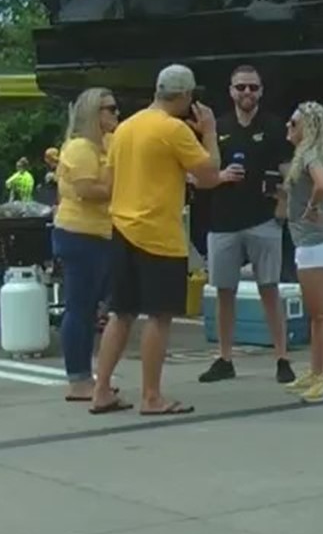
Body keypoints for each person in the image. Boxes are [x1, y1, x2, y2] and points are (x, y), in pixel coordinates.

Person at [92, 65, 232, 416]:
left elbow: (111, 180)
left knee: (120, 313)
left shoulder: (126, 128)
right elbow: (210, 174)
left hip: (122, 227)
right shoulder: (173, 129)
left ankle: (101, 389)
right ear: (185, 96)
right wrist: (210, 133)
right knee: (159, 316)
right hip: (158, 233)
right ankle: (152, 395)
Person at [200, 63, 298, 387]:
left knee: (269, 289)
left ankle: (282, 357)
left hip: (263, 220)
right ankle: (225, 358)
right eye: (241, 87)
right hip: (224, 220)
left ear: (261, 91)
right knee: (224, 291)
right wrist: (220, 176)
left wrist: (286, 196)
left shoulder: (273, 127)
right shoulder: (219, 129)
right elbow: (198, 174)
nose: (247, 93)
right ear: (230, 91)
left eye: (253, 87)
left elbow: (288, 170)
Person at [52, 89, 119, 404]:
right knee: (79, 308)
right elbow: (89, 190)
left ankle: (89, 376)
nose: (116, 115)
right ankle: (78, 379)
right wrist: (115, 176)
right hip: (80, 234)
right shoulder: (80, 148)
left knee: (92, 308)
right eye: (110, 109)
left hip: (101, 233)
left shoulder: (103, 145)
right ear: (94, 113)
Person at [282, 101, 323, 403]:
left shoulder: (310, 154)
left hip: (315, 242)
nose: (288, 128)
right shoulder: (303, 155)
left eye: (294, 123)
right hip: (307, 242)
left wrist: (313, 208)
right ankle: (317, 371)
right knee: (315, 314)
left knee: (322, 312)